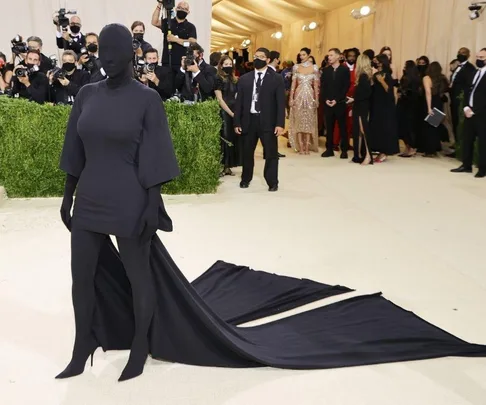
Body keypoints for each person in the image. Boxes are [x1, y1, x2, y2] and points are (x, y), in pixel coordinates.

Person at [56, 23, 180, 382]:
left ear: (132, 52)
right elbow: (74, 148)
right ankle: (83, 345)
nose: (107, 58)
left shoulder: (147, 98)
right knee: (81, 277)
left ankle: (140, 346)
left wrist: (152, 203)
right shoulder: (87, 95)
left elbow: (156, 154)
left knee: (138, 275)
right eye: (102, 52)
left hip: (129, 198)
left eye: (115, 51)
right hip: (89, 197)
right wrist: (67, 196)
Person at [234, 47, 285, 192]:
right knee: (247, 153)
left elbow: (281, 103)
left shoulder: (277, 78)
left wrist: (280, 124)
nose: (257, 59)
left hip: (268, 122)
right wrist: (237, 122)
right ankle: (246, 178)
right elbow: (239, 103)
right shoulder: (244, 79)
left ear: (268, 60)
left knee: (271, 153)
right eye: (255, 56)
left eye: (261, 57)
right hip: (249, 121)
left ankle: (272, 181)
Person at [451, 48, 486, 178]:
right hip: (469, 111)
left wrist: (475, 110)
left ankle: (482, 168)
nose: (479, 60)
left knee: (482, 142)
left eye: (482, 58)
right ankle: (466, 165)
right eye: (478, 57)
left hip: (482, 114)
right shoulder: (474, 72)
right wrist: (466, 107)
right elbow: (467, 90)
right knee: (467, 139)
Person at [288, 47, 320, 154]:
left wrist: (317, 99)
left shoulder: (315, 68)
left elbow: (316, 86)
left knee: (308, 121)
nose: (301, 57)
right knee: (299, 120)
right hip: (298, 95)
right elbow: (293, 84)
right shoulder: (296, 67)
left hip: (310, 96)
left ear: (309, 55)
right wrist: (291, 98)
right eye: (300, 55)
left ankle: (307, 147)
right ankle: (300, 147)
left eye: (304, 55)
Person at [151, 1, 197, 74]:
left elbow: (191, 43)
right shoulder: (168, 22)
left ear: (188, 12)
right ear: (176, 9)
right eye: (180, 8)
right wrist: (159, 5)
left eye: (185, 9)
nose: (182, 10)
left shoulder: (190, 27)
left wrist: (175, 40)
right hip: (167, 61)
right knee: (166, 84)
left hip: (182, 63)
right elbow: (154, 22)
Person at [320, 48, 350, 158]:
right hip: (328, 103)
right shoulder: (326, 70)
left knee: (342, 127)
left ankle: (344, 150)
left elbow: (345, 86)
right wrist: (326, 99)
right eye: (328, 55)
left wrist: (337, 100)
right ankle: (329, 149)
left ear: (338, 56)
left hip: (340, 103)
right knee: (329, 127)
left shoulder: (344, 70)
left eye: (331, 55)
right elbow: (323, 87)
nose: (329, 57)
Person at [369, 54, 399, 163]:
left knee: (385, 127)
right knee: (377, 126)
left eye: (377, 61)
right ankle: (378, 149)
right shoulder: (376, 73)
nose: (376, 63)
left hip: (385, 105)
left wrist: (381, 81)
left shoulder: (387, 74)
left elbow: (388, 90)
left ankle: (384, 152)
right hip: (376, 103)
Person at [215, 56, 242, 176]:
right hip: (224, 111)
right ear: (221, 65)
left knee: (232, 138)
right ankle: (222, 165)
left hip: (234, 110)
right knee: (224, 138)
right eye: (225, 64)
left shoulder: (234, 79)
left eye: (230, 64)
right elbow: (219, 99)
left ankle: (228, 166)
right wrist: (231, 113)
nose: (228, 66)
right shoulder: (218, 79)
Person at [333, 48, 360, 151]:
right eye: (350, 56)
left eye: (354, 56)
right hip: (342, 98)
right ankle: (335, 143)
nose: (352, 58)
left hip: (353, 99)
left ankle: (346, 143)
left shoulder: (358, 68)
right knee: (338, 122)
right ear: (346, 56)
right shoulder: (342, 67)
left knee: (349, 122)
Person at [349, 54, 373, 165]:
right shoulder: (365, 76)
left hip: (361, 106)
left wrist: (352, 99)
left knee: (363, 131)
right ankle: (358, 155)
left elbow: (365, 94)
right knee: (359, 131)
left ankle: (368, 156)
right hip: (360, 106)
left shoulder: (363, 76)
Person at [422, 62, 449, 157]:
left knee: (429, 127)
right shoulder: (442, 78)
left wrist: (429, 107)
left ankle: (430, 150)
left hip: (431, 102)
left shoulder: (427, 78)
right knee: (435, 126)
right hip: (439, 102)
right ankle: (435, 148)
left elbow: (428, 93)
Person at [450, 47, 477, 138]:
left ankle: (460, 143)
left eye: (463, 53)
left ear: (468, 55)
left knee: (460, 121)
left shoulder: (470, 68)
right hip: (453, 97)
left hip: (461, 98)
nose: (460, 54)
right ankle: (455, 140)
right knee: (454, 119)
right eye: (459, 52)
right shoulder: (457, 66)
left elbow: (469, 84)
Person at [397, 61, 421, 157]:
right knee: (410, 127)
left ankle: (409, 148)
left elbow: (402, 91)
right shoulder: (417, 78)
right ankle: (410, 147)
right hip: (413, 105)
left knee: (404, 127)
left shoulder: (406, 78)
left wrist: (400, 93)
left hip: (404, 105)